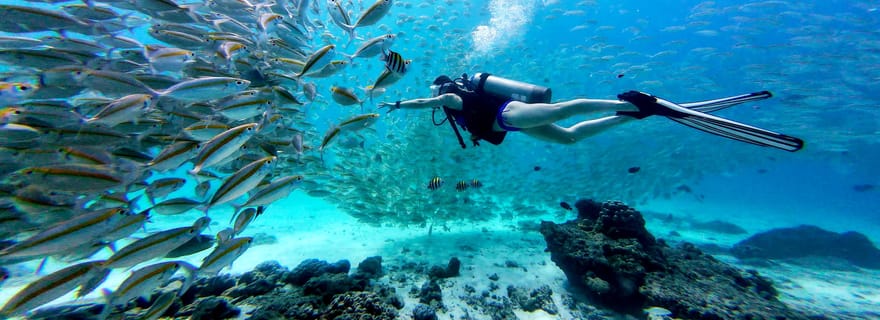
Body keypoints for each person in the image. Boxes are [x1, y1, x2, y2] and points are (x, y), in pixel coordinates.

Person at [379, 73, 804, 152]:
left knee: (563, 109)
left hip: (509, 114)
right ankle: (635, 115)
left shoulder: (450, 98)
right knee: (568, 136)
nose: (437, 96)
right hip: (508, 124)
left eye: (436, 90)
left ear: (442, 86)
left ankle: (633, 101)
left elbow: (430, 103)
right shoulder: (457, 101)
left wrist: (400, 102)